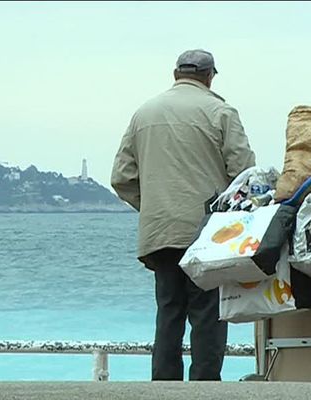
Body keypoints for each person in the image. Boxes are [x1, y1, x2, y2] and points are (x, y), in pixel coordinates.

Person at [110, 49, 256, 381]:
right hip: (208, 233)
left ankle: (164, 386)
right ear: (210, 76)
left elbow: (121, 177)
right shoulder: (221, 111)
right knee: (207, 314)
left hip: (160, 231)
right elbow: (244, 173)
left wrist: (152, 208)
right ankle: (204, 386)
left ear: (175, 73)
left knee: (169, 311)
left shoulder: (143, 113)